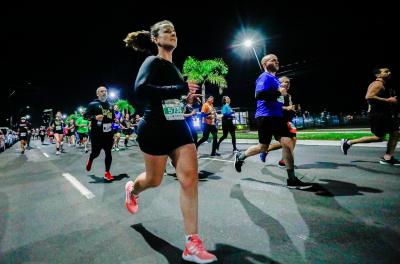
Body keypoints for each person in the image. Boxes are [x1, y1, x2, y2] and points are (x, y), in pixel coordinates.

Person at [123, 20, 217, 263]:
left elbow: (171, 99)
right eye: (167, 31)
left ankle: (192, 242)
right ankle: (133, 190)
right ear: (155, 38)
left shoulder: (175, 68)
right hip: (154, 128)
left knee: (189, 179)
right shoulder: (152, 62)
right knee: (154, 180)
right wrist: (178, 87)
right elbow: (141, 89)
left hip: (177, 128)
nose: (173, 34)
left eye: (175, 31)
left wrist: (187, 100)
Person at [234, 54, 311, 188]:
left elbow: (277, 99)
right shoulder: (265, 77)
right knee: (263, 147)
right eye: (272, 59)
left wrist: (287, 105)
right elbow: (258, 95)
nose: (276, 61)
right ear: (264, 64)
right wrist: (278, 93)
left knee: (287, 142)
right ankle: (241, 156)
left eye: (277, 60)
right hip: (265, 116)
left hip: (277, 117)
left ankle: (291, 179)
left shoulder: (275, 79)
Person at [341, 67, 399, 165]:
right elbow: (369, 96)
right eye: (386, 71)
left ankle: (388, 157)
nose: (389, 72)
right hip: (378, 115)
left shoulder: (382, 84)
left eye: (389, 71)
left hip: (383, 114)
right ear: (378, 75)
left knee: (395, 133)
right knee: (379, 137)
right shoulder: (378, 84)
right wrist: (388, 100)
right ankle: (348, 142)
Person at [259, 76, 298, 167]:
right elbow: (274, 107)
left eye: (288, 82)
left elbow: (290, 106)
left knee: (293, 139)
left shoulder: (288, 95)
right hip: (278, 120)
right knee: (285, 142)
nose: (287, 83)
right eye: (284, 82)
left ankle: (283, 160)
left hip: (288, 121)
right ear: (279, 83)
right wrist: (286, 108)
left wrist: (293, 109)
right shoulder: (277, 94)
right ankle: (266, 150)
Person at [84, 86, 115, 181]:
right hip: (97, 134)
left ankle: (107, 172)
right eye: (102, 91)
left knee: (108, 153)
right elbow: (85, 116)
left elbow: (112, 117)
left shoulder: (110, 105)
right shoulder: (93, 104)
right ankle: (91, 159)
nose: (104, 93)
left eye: (105, 91)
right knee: (95, 153)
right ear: (97, 94)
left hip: (108, 133)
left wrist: (115, 120)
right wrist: (95, 117)